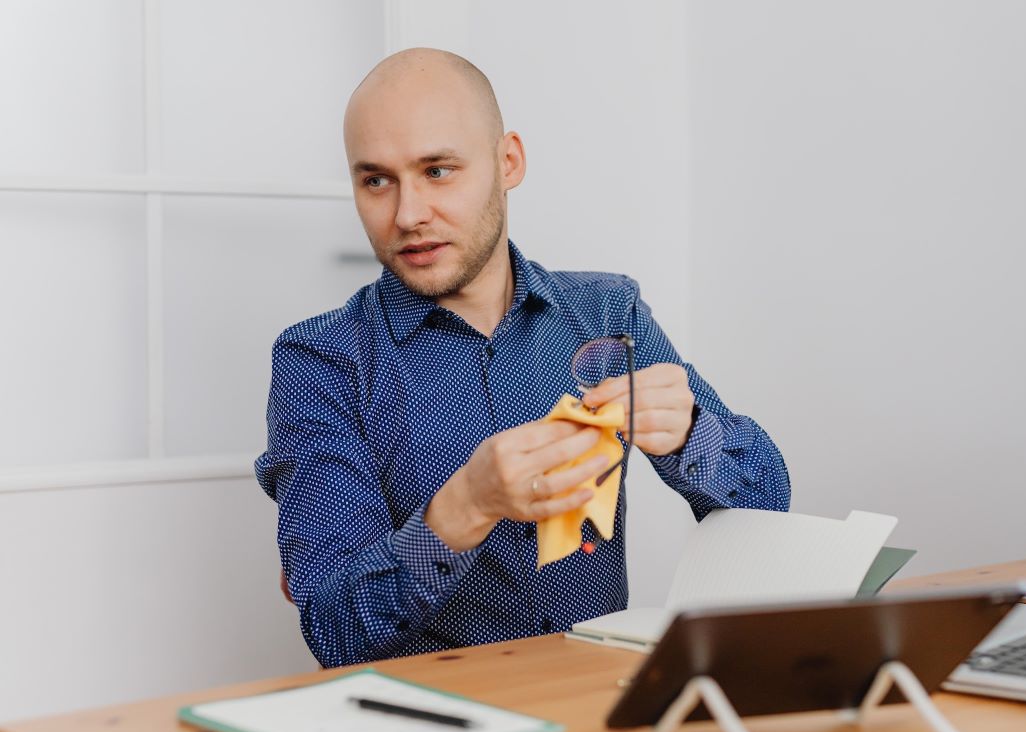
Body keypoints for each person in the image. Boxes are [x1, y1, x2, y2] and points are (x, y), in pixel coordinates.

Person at [254, 48, 790, 667]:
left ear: (508, 162)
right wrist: (464, 508)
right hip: (433, 718)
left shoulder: (609, 313)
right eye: (376, 180)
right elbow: (335, 630)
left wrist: (694, 435)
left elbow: (768, 512)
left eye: (438, 170)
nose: (408, 215)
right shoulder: (319, 361)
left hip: (597, 702)